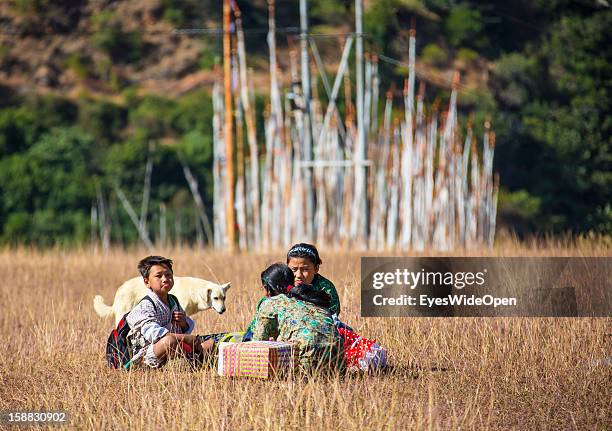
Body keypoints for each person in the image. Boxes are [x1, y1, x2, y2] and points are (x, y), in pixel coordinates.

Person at [250, 263, 345, 375]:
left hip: (306, 363)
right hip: (339, 364)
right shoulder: (311, 299)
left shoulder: (269, 303)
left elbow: (258, 344)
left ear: (268, 289)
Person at [126, 255, 214, 369]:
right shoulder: (146, 305)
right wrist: (185, 338)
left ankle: (186, 362)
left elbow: (185, 327)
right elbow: (153, 333)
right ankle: (177, 364)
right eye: (158, 276)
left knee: (210, 343)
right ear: (147, 282)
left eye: (168, 275)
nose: (165, 279)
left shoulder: (173, 300)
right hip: (148, 354)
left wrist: (183, 323)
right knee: (169, 341)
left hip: (176, 348)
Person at [244, 243, 340, 339]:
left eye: (305, 269)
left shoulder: (326, 289)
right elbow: (260, 323)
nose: (298, 275)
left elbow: (332, 320)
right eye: (294, 269)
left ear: (316, 268)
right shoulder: (280, 285)